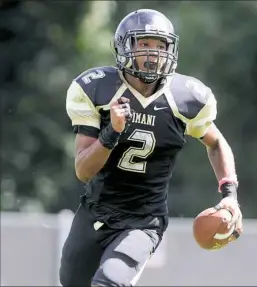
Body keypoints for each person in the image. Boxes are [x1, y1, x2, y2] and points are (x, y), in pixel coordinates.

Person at [59, 9, 243, 287]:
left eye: (160, 46)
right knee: (72, 281)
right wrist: (112, 132)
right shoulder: (97, 88)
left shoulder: (186, 98)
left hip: (143, 220)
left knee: (108, 282)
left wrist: (230, 195)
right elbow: (84, 171)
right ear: (125, 47)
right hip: (95, 211)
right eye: (144, 44)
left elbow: (216, 142)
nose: (153, 53)